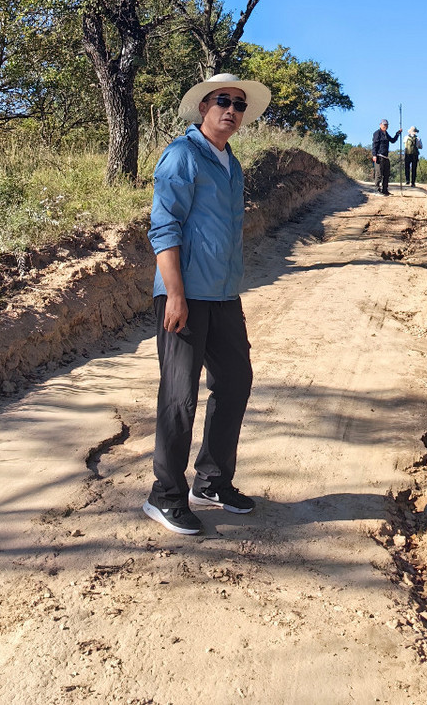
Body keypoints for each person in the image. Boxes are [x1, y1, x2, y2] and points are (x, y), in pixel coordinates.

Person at [143, 70, 272, 538]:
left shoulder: (231, 163)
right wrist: (174, 294)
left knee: (235, 382)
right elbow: (164, 226)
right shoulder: (182, 155)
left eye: (239, 105)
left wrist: (230, 290)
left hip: (222, 296)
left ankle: (212, 482)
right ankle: (165, 496)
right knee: (179, 396)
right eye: (223, 101)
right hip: (184, 296)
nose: (231, 110)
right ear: (203, 107)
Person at [371, 118, 399, 195]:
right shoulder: (377, 133)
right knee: (379, 174)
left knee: (386, 174)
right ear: (380, 125)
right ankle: (377, 190)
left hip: (386, 157)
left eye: (386, 125)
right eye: (384, 125)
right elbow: (374, 144)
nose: (385, 126)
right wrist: (374, 155)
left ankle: (385, 190)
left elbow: (392, 140)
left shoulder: (386, 133)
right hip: (379, 156)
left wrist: (397, 134)